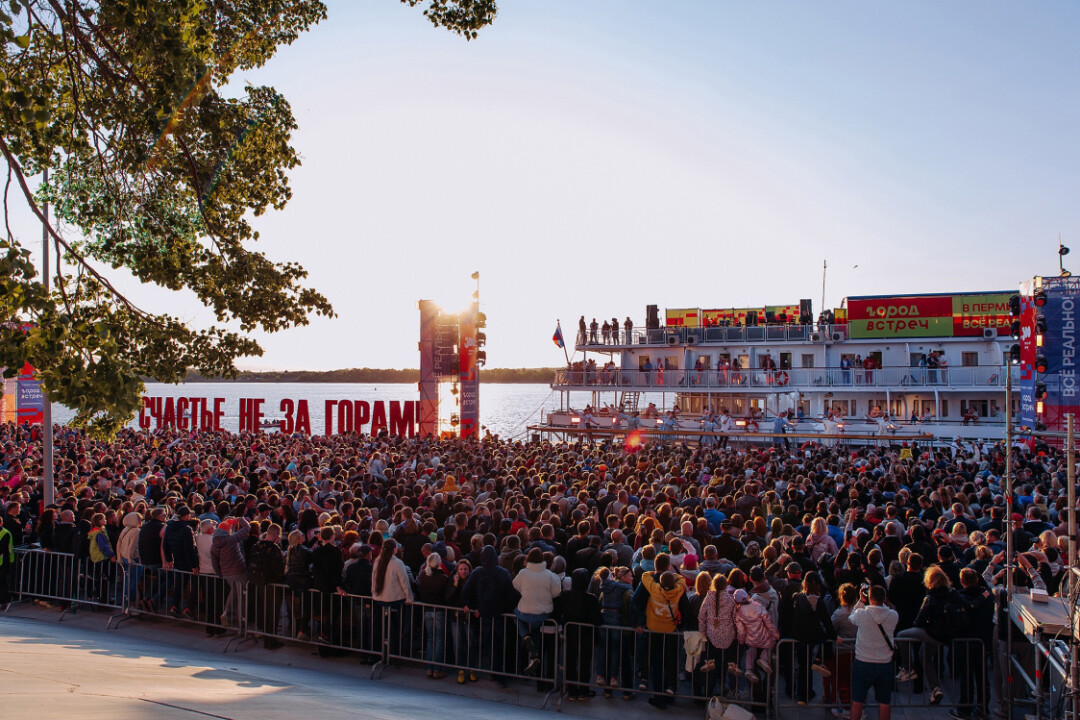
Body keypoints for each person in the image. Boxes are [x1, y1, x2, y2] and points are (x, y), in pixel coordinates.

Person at [848, 584, 899, 720]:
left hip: (863, 662)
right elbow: (887, 610)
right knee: (884, 702)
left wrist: (860, 601)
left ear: (869, 598)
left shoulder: (862, 614)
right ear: (885, 598)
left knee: (857, 701)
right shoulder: (893, 615)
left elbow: (851, 618)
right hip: (884, 663)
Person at [641, 569, 688, 708]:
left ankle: (656, 691)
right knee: (670, 659)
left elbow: (645, 576)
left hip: (654, 627)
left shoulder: (655, 588)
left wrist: (655, 572)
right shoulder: (678, 590)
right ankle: (670, 687)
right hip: (670, 629)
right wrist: (673, 574)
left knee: (656, 661)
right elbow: (682, 579)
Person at [512, 546, 562, 675]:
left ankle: (525, 637)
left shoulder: (523, 573)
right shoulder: (549, 575)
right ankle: (534, 655)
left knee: (515, 614)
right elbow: (557, 592)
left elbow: (515, 585)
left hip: (525, 612)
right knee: (537, 633)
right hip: (543, 614)